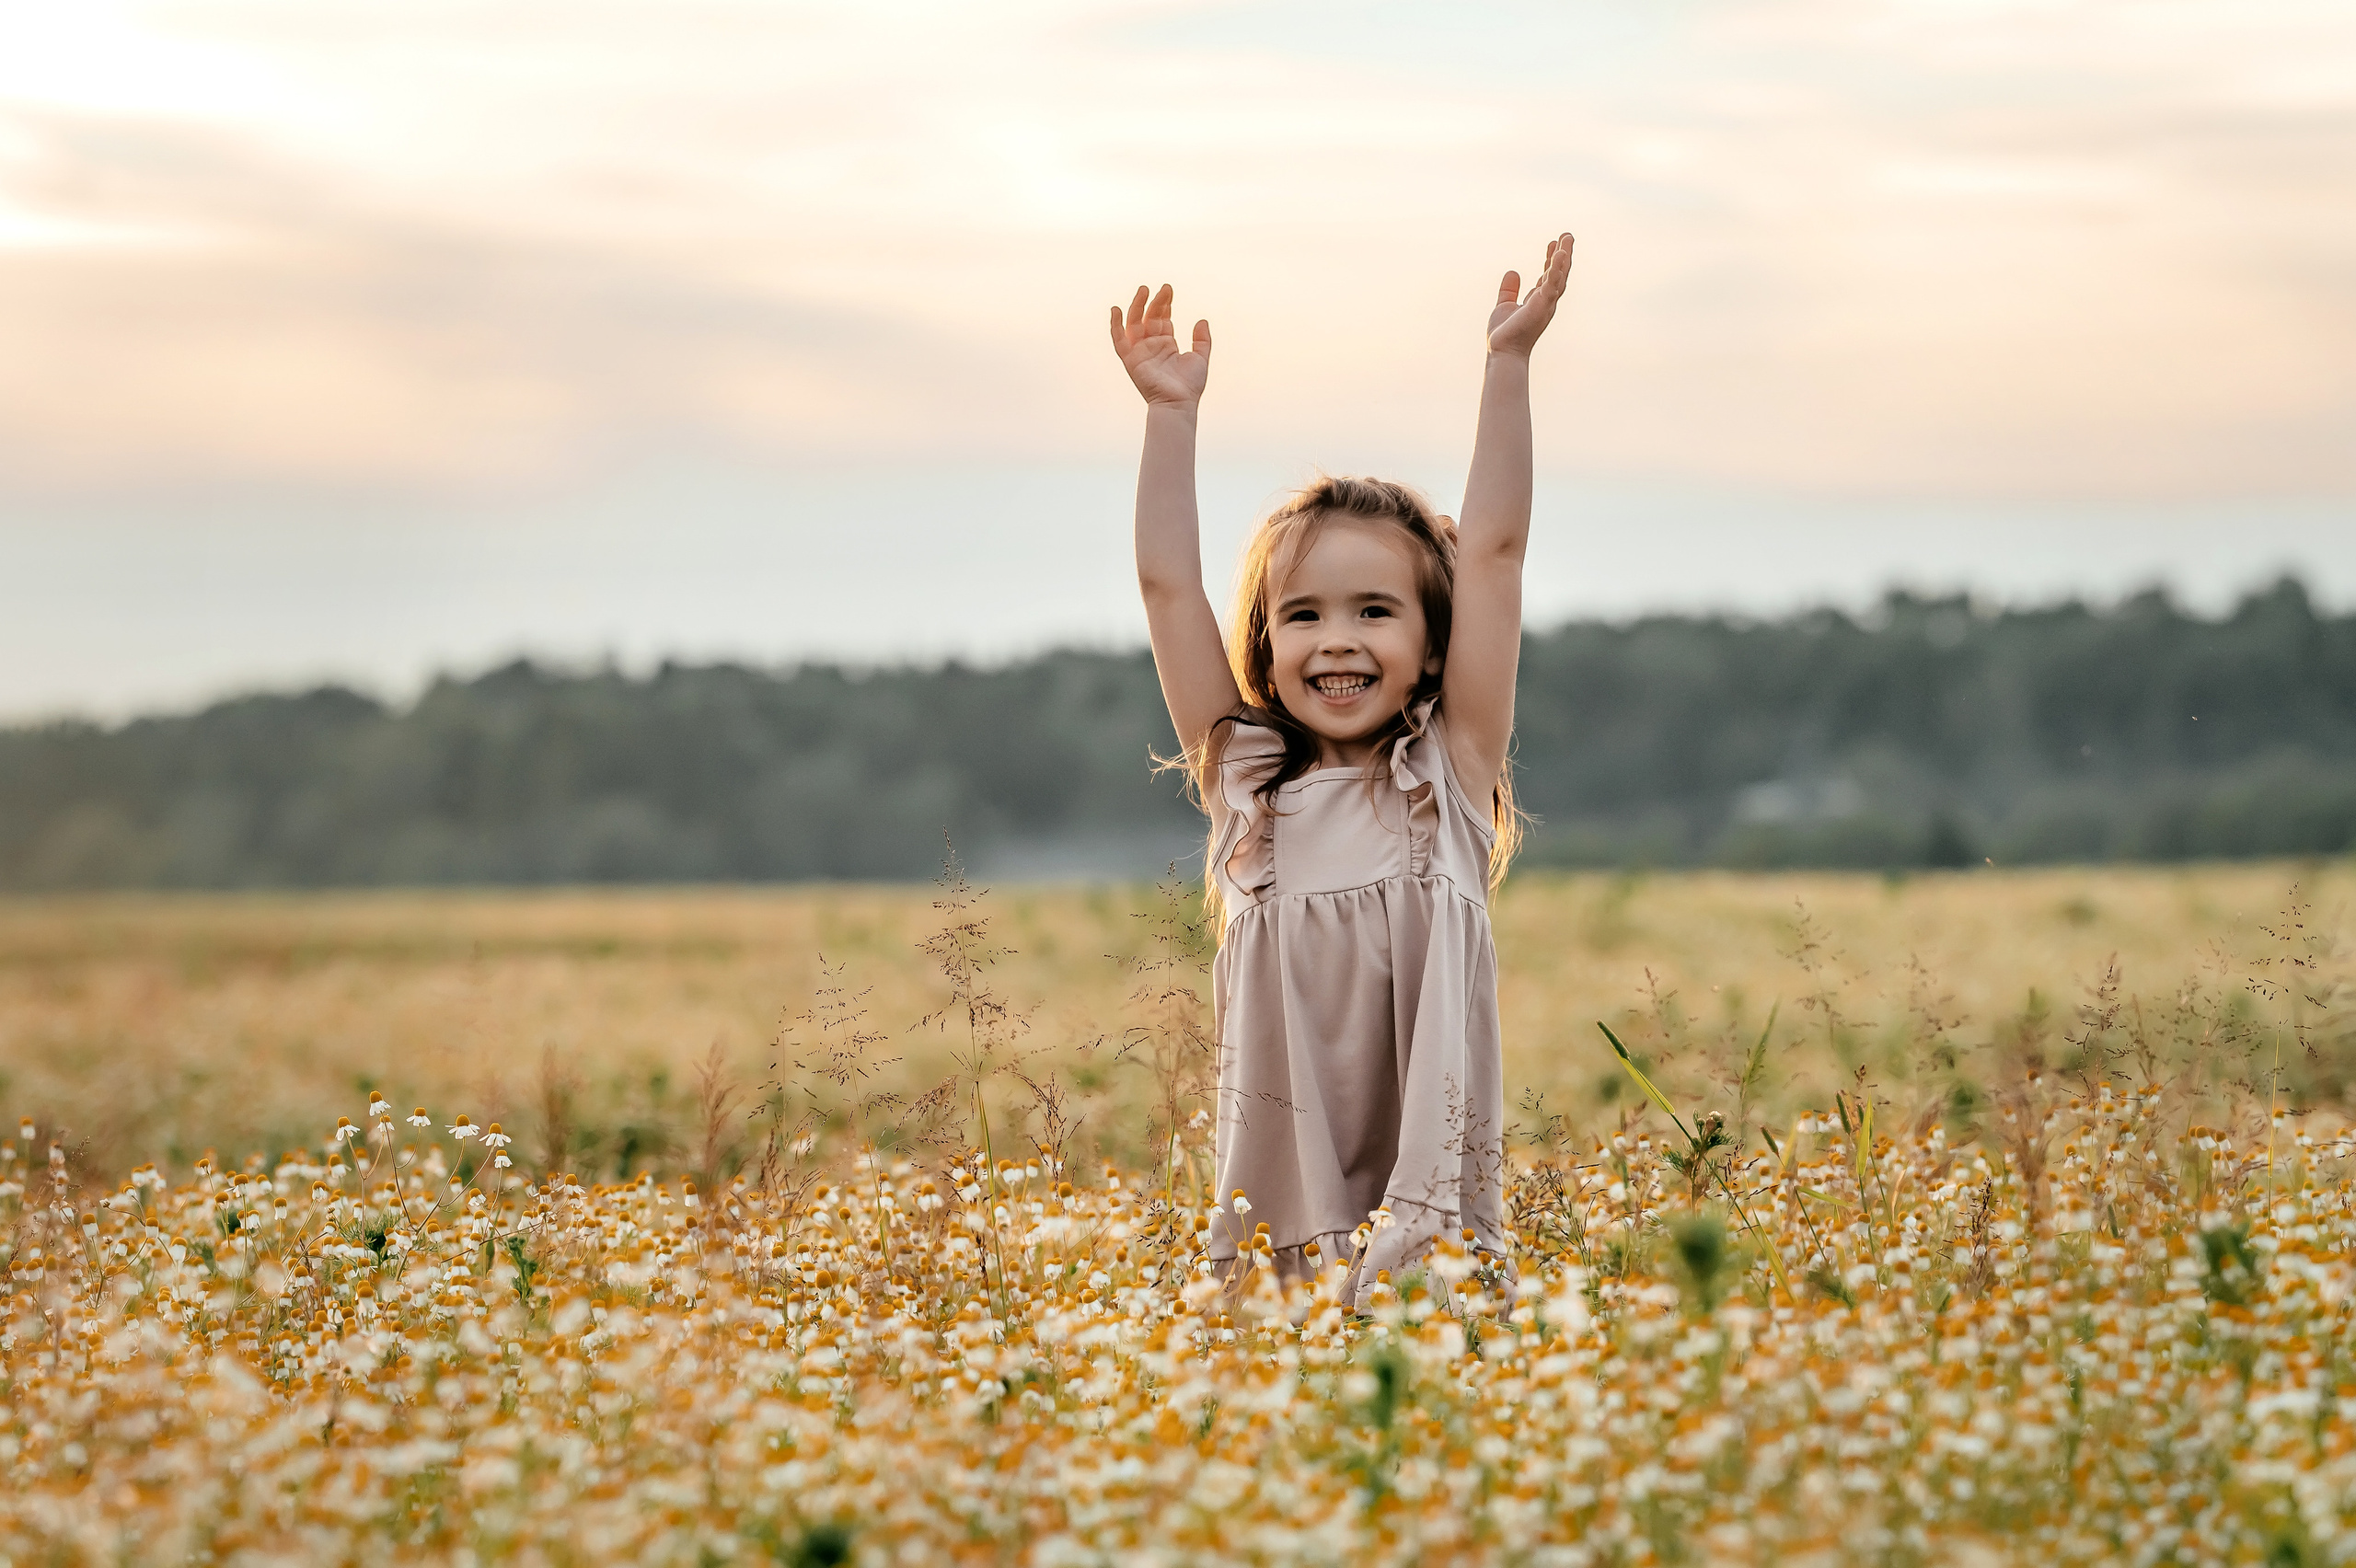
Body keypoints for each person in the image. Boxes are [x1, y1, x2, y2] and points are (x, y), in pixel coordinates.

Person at [1107, 233, 1574, 1305]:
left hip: (1425, 1219)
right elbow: (1167, 588)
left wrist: (1508, 364)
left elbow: (1495, 551)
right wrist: (1169, 416)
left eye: (1374, 611)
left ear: (1433, 642)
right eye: (1305, 616)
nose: (1337, 642)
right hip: (1289, 1224)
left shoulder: (1449, 773)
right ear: (1266, 643)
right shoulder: (1246, 783)